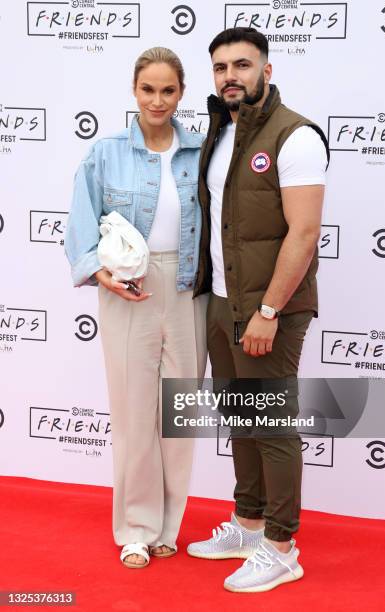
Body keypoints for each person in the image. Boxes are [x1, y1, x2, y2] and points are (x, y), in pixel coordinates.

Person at [187, 27, 329, 593]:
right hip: (223, 303)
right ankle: (247, 523)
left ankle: (281, 545)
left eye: (242, 65)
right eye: (220, 67)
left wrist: (270, 309)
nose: (230, 76)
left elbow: (305, 232)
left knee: (269, 424)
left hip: (270, 309)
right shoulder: (221, 131)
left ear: (266, 69)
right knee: (240, 419)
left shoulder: (295, 136)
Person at [65, 47, 207, 569]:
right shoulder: (105, 153)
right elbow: (81, 222)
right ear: (134, 89)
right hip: (129, 289)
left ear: (181, 93)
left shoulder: (203, 151)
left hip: (192, 289)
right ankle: (135, 529)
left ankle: (169, 527)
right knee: (132, 414)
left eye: (168, 90)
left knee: (179, 415)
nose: (158, 100)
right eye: (148, 89)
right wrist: (99, 273)